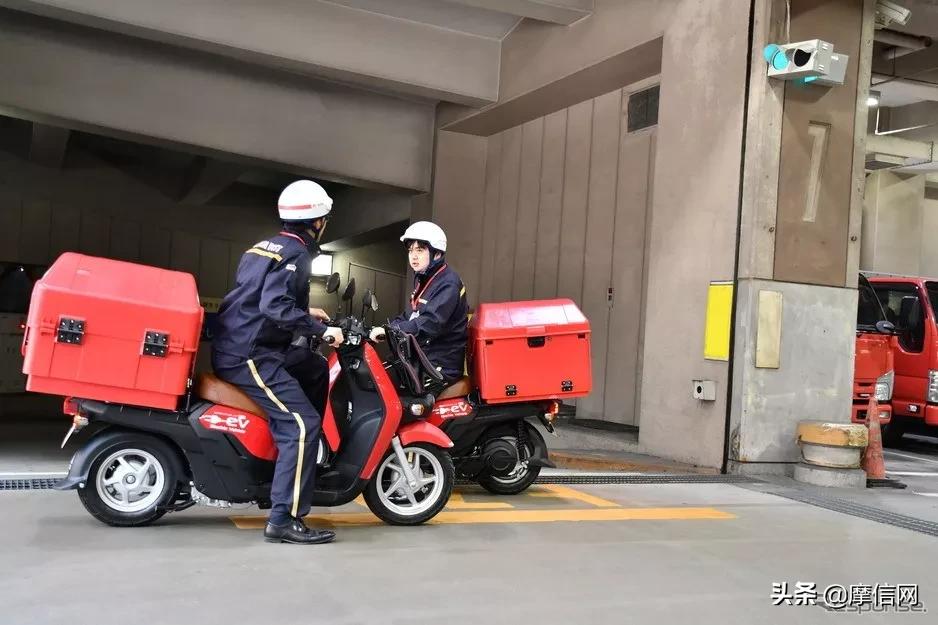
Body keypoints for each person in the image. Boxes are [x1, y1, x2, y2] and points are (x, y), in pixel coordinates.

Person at [212, 180, 343, 545]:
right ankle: (284, 518)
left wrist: (306, 312)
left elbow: (257, 297)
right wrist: (321, 330)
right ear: (318, 221)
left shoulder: (264, 246)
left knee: (314, 367)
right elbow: (274, 306)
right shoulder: (298, 254)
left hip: (245, 343)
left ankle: (303, 456)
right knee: (302, 424)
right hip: (251, 354)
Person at [370, 221, 468, 382]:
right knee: (377, 376)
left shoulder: (448, 283)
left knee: (384, 384)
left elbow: (430, 323)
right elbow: (410, 315)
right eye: (410, 250)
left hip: (440, 365)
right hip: (423, 357)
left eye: (420, 250)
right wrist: (385, 328)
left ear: (437, 254)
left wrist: (391, 331)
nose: (413, 256)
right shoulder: (424, 278)